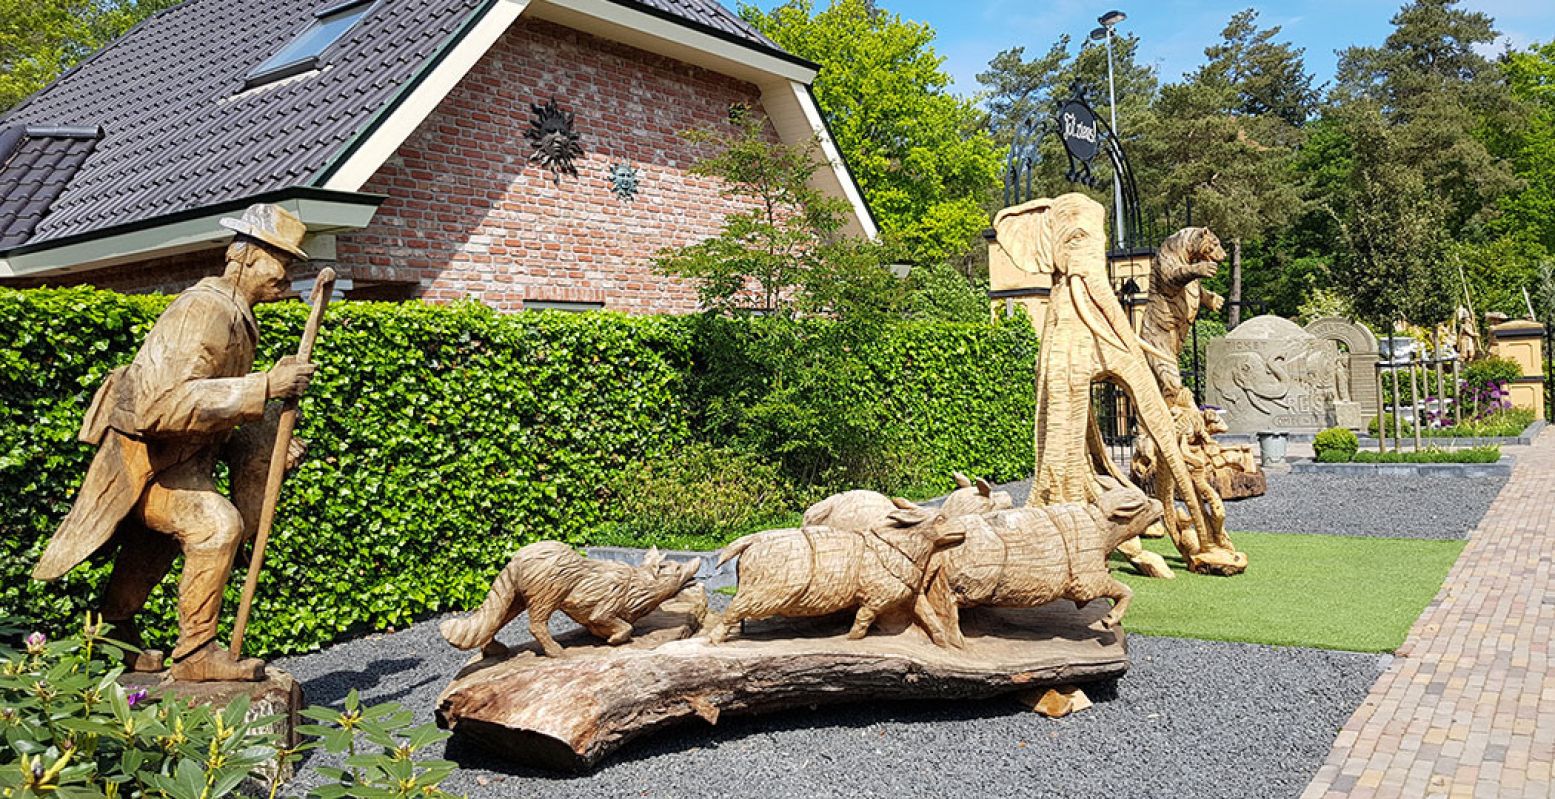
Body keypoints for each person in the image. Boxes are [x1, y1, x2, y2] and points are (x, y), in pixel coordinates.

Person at [32, 204, 316, 681]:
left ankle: (113, 636)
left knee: (151, 549)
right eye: (280, 261)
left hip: (181, 460)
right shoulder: (204, 309)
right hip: (145, 463)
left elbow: (209, 414)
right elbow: (160, 404)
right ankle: (196, 654)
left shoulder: (238, 317)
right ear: (244, 256)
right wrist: (264, 386)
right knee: (215, 526)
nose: (285, 275)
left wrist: (263, 444)